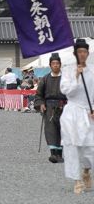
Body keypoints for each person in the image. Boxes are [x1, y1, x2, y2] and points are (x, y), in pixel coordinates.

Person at [60, 39, 94, 194]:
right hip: (72, 112)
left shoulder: (93, 70)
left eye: (85, 52)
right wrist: (76, 76)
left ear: (88, 53)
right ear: (75, 54)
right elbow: (65, 90)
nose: (82, 54)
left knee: (90, 147)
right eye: (79, 52)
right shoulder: (68, 70)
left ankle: (86, 171)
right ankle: (76, 180)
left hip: (89, 112)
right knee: (72, 146)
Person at [34, 53, 66, 163]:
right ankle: (53, 154)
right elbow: (39, 94)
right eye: (53, 63)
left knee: (63, 130)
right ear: (50, 65)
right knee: (51, 130)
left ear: (60, 65)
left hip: (64, 107)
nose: (56, 65)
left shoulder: (66, 78)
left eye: (57, 63)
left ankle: (60, 154)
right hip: (49, 108)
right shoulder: (45, 79)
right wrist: (41, 104)